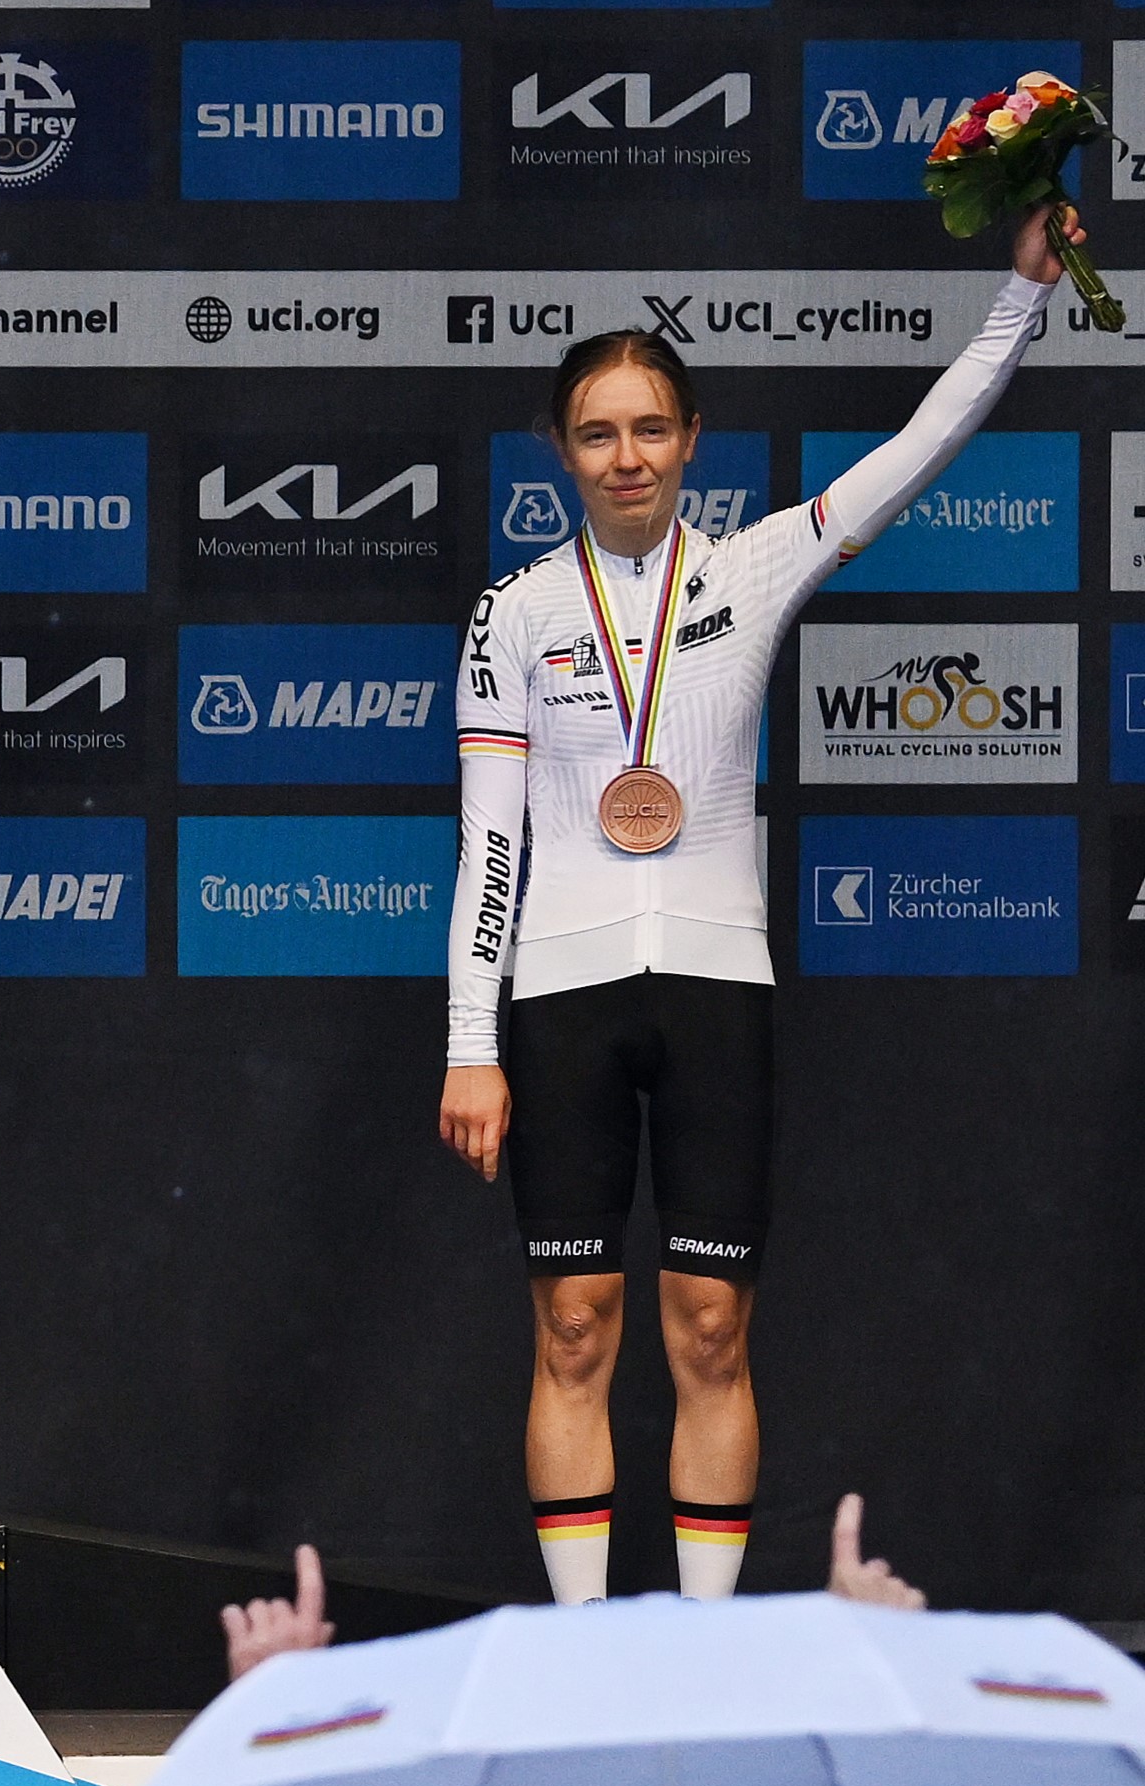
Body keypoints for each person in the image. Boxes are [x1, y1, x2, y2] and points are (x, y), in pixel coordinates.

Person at [438, 203, 1073, 1605]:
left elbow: (916, 456)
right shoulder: (514, 614)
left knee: (712, 1325)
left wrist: (1019, 302)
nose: (625, 457)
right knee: (574, 1323)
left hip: (720, 988)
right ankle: (586, 1647)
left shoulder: (755, 566)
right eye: (597, 433)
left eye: (649, 428)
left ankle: (709, 1653)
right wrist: (467, 1046)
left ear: (690, 439)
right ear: (561, 453)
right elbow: (490, 846)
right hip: (557, 995)